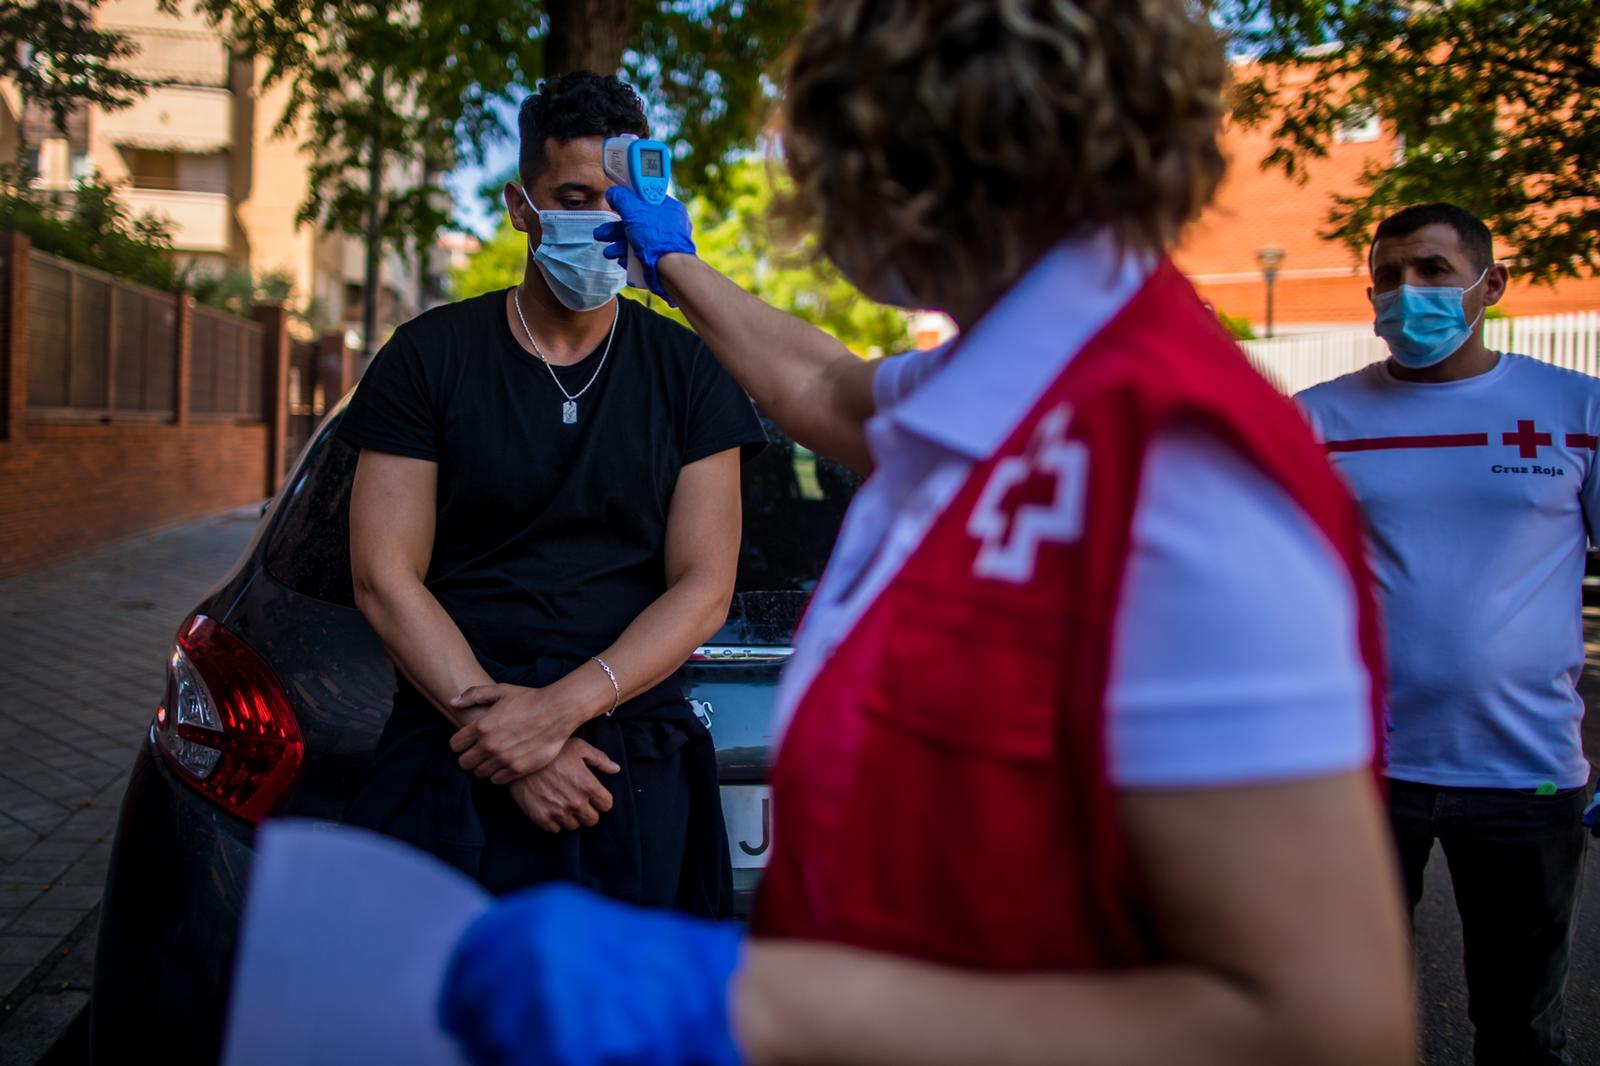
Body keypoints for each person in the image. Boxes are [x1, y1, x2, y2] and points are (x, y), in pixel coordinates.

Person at [440, 2, 1415, 1062]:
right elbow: (828, 388)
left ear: (910, 162)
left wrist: (749, 1008)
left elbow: (1324, 1025)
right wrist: (669, 262)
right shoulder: (1027, 365)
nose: (814, 202)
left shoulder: (1175, 465)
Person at [338, 70, 765, 913]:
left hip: (628, 766)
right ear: (519, 207)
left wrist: (557, 714)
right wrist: (512, 742)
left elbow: (705, 587)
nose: (602, 221)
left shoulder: (690, 371)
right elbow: (384, 578)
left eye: (618, 202)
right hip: (452, 751)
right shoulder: (428, 356)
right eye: (573, 196)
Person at [1297, 202, 1597, 1065]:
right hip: (1361, 773)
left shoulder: (1574, 408)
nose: (1406, 293)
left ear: (1490, 284)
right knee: (1347, 1016)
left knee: (1520, 1028)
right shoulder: (1318, 421)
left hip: (1527, 774)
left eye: (1431, 270)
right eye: (1388, 277)